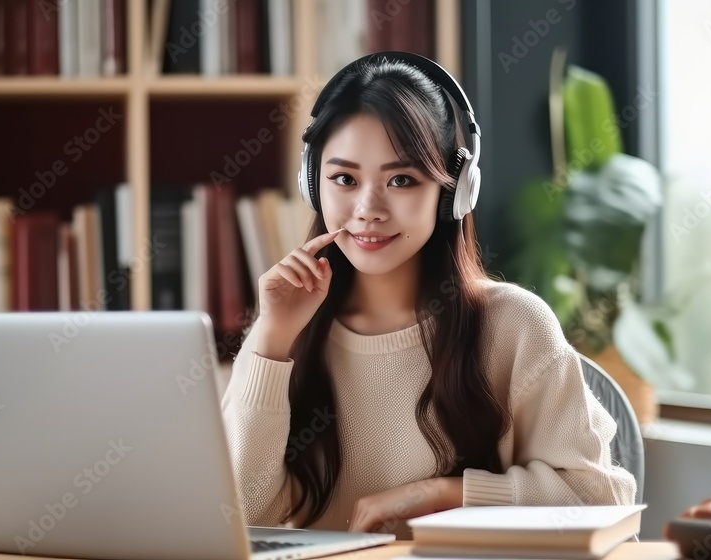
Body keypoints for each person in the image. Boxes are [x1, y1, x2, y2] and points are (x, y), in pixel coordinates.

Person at [220, 52, 636, 538]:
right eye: (344, 179)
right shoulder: (287, 328)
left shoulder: (514, 326)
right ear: (312, 184)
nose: (367, 209)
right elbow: (245, 514)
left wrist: (448, 492)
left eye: (401, 180)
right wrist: (272, 339)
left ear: (455, 192)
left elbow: (599, 498)